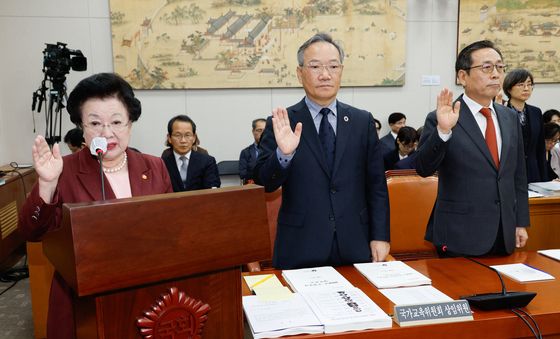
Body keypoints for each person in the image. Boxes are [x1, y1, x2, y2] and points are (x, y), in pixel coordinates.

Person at [18, 73, 173, 339]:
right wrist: (46, 184)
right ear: (81, 127)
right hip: (82, 302)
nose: (107, 133)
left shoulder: (154, 166)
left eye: (116, 122)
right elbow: (31, 232)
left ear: (130, 124)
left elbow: (173, 228)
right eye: (95, 123)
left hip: (146, 295)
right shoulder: (62, 170)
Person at [254, 33, 390, 269]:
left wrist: (380, 235)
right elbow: (264, 183)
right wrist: (284, 155)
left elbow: (376, 185)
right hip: (300, 245)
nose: (325, 74)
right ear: (300, 73)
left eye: (333, 66)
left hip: (354, 242)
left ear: (341, 71)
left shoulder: (362, 121)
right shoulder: (282, 121)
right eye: (315, 66)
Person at [416, 40, 530, 257]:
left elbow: (518, 176)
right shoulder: (442, 117)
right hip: (459, 234)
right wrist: (443, 131)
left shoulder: (508, 117)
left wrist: (520, 222)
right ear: (462, 76)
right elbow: (423, 168)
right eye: (487, 68)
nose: (495, 74)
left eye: (499, 67)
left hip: (503, 232)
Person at [503, 68, 546, 183]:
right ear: (509, 88)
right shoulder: (501, 112)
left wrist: (544, 179)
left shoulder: (536, 112)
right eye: (520, 85)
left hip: (533, 173)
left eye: (529, 84)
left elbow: (540, 149)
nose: (526, 88)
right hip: (509, 173)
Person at [162, 114, 220, 192]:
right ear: (169, 138)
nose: (183, 140)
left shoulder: (207, 161)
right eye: (178, 135)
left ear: (194, 138)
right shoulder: (162, 164)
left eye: (187, 135)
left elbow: (212, 189)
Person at [239, 118, 266, 184]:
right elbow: (243, 174)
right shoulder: (246, 152)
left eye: (265, 130)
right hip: (253, 186)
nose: (262, 133)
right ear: (253, 131)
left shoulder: (275, 150)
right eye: (259, 130)